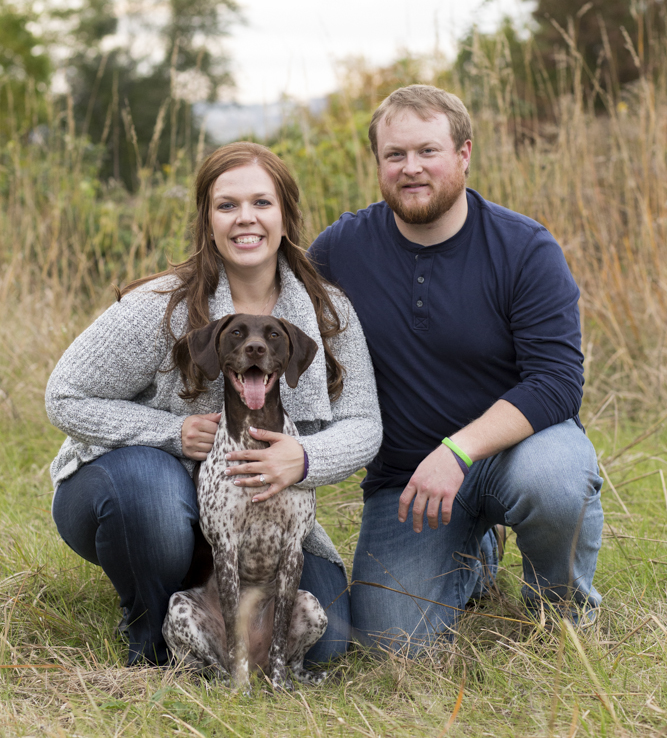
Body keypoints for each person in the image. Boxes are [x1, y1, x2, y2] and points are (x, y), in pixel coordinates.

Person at [45, 142, 382, 666]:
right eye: (227, 205)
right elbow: (64, 395)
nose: (245, 218)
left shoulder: (326, 310)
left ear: (287, 214)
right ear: (207, 219)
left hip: (254, 516)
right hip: (136, 488)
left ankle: (204, 612)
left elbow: (363, 422)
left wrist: (304, 458)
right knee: (150, 496)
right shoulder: (162, 306)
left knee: (325, 642)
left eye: (261, 203)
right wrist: (169, 434)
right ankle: (149, 634)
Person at [308, 85, 603, 653]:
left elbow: (559, 381)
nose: (411, 168)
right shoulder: (341, 249)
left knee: (555, 483)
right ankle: (477, 555)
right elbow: (273, 308)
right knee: (392, 644)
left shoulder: (524, 248)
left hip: (519, 452)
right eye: (395, 155)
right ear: (378, 163)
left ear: (464, 154)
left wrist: (458, 451)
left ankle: (560, 615)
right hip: (409, 482)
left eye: (428, 151)